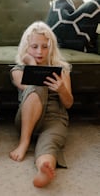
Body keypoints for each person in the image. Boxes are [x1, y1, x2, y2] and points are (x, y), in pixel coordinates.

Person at [9, 21, 73, 187]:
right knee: (37, 85)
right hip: (27, 119)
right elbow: (29, 87)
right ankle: (24, 142)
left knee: (50, 144)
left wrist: (62, 90)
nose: (39, 51)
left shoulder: (61, 70)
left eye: (45, 47)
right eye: (34, 46)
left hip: (54, 119)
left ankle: (44, 169)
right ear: (26, 47)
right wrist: (31, 63)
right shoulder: (18, 70)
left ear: (51, 48)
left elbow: (68, 104)